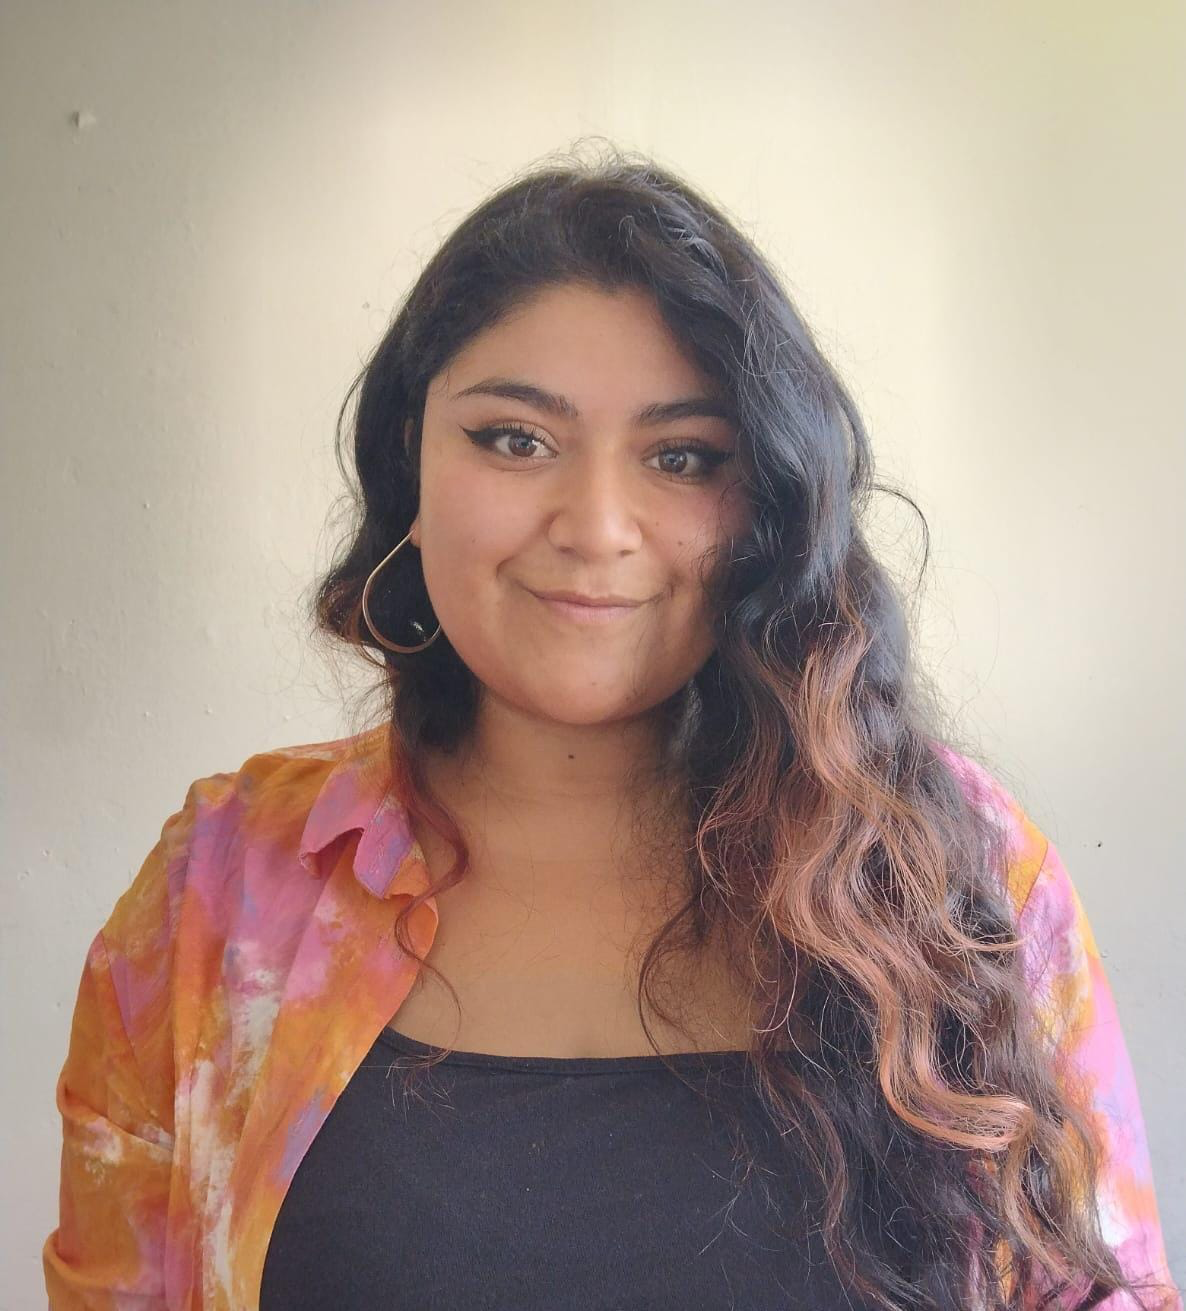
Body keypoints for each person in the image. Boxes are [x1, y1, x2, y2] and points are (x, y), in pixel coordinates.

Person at [43, 143, 1180, 1310]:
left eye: (681, 457)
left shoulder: (947, 871)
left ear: (768, 506)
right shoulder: (224, 882)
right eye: (514, 439)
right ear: (406, 459)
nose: (594, 526)